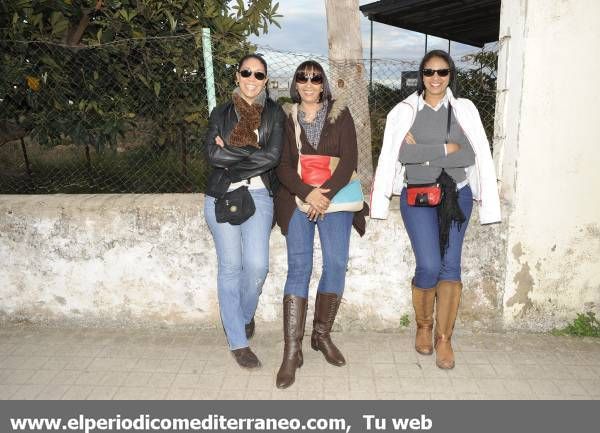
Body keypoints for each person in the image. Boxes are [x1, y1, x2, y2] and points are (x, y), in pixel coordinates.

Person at [370, 50, 501, 369]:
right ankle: (424, 327)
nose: (436, 78)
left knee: (450, 267)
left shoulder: (464, 109)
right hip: (417, 197)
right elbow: (400, 153)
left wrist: (422, 153)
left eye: (442, 72)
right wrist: (444, 149)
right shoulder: (404, 111)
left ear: (450, 75)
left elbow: (469, 156)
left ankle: (444, 339)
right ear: (421, 75)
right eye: (429, 72)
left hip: (457, 197)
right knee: (428, 265)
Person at [274, 60, 367, 388]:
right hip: (296, 200)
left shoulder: (339, 114)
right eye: (303, 78)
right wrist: (306, 194)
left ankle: (321, 335)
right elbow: (282, 165)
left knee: (336, 264)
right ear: (296, 83)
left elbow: (349, 160)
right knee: (299, 268)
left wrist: (323, 196)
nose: (309, 84)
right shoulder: (286, 118)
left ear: (323, 83)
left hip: (336, 198)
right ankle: (291, 351)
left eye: (315, 79)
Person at [204, 54, 285, 369]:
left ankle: (244, 315)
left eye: (259, 74)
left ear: (265, 80)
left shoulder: (275, 113)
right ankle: (238, 341)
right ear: (237, 76)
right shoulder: (220, 112)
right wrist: (253, 151)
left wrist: (232, 154)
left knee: (257, 266)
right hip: (220, 195)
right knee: (230, 267)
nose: (252, 78)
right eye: (246, 72)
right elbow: (212, 154)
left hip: (260, 194)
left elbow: (273, 156)